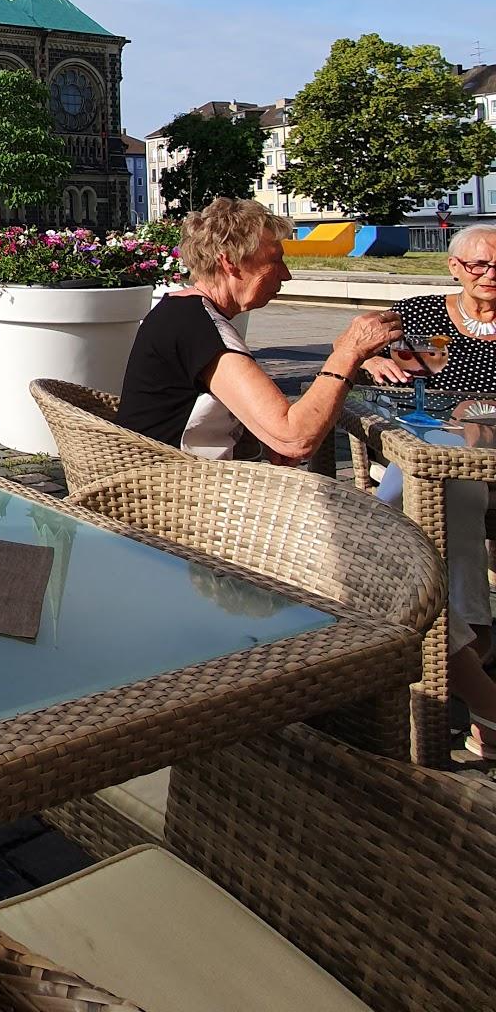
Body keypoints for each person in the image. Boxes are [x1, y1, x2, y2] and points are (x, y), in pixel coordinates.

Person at [117, 197, 400, 464]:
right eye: (274, 260)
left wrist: (262, 439)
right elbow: (296, 438)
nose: (286, 273)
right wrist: (349, 353)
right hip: (170, 496)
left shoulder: (183, 313)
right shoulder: (197, 326)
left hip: (163, 480)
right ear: (229, 262)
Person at [355, 221, 496, 757]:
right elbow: (361, 344)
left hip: (488, 460)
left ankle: (439, 635)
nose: (489, 275)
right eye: (477, 265)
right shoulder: (422, 314)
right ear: (454, 268)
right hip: (426, 446)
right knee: (418, 489)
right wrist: (373, 359)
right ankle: (467, 636)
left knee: (435, 493)